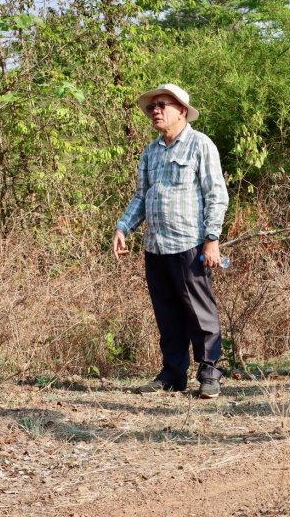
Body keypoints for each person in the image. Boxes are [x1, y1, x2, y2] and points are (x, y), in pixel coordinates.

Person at [113, 84, 230, 399]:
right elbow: (142, 196)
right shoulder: (150, 151)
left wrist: (212, 239)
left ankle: (210, 373)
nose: (156, 111)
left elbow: (216, 195)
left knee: (200, 313)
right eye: (152, 107)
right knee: (167, 314)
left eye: (163, 105)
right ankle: (173, 374)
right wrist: (123, 227)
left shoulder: (200, 145)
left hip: (189, 244)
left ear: (182, 111)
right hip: (156, 246)